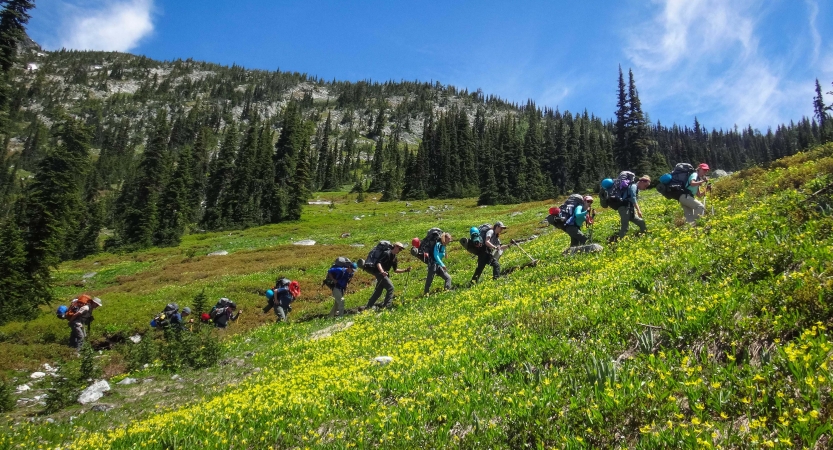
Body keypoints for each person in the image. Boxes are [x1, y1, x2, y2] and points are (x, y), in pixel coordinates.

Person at [365, 242, 412, 310]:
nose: (400, 250)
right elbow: (378, 263)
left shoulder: (394, 258)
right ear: (395, 246)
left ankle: (368, 307)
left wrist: (405, 270)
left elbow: (395, 270)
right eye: (400, 248)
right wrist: (382, 272)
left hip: (384, 274)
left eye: (401, 249)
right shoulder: (387, 253)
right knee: (391, 288)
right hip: (380, 273)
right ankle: (386, 307)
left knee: (378, 291)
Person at [611, 175, 649, 242]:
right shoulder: (633, 186)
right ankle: (619, 243)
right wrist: (638, 210)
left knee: (641, 222)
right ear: (642, 182)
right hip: (624, 208)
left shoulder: (635, 187)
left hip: (629, 209)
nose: (645, 188)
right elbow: (633, 198)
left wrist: (634, 209)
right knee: (625, 227)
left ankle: (645, 236)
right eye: (645, 186)